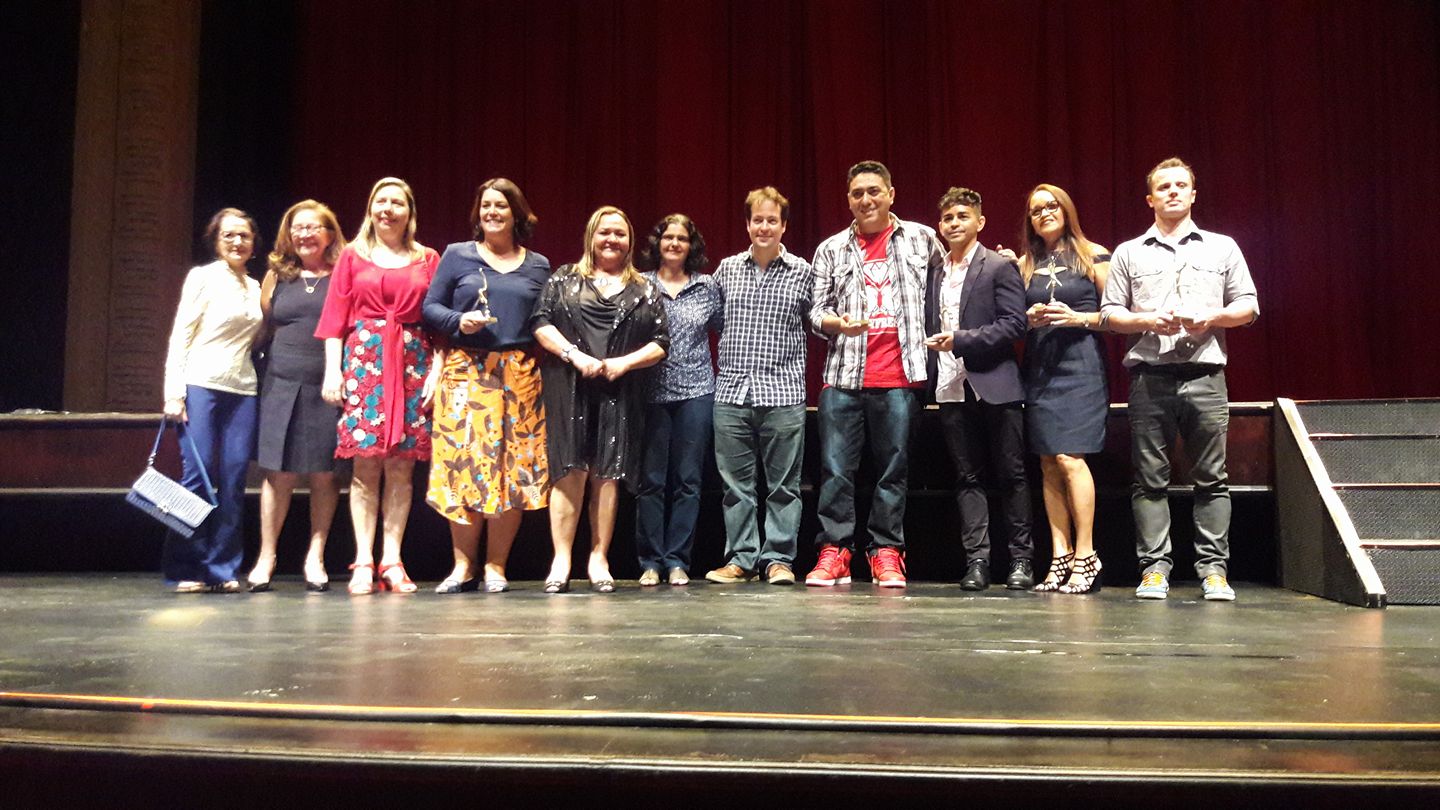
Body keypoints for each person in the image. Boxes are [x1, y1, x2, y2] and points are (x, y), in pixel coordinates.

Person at [1101, 157, 1259, 602]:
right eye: (1163, 187)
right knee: (1150, 479)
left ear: (1193, 194)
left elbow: (1249, 306)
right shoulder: (1129, 252)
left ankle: (1214, 571)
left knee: (1212, 478)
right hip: (1150, 378)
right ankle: (1154, 570)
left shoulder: (1222, 247)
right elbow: (1110, 314)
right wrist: (1148, 320)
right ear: (1150, 199)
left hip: (1205, 376)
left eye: (1180, 185)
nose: (1172, 191)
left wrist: (1212, 316)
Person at [806, 161, 944, 588]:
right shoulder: (831, 248)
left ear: (891, 194)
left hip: (901, 376)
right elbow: (815, 312)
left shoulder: (922, 238)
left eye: (874, 191)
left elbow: (950, 285)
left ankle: (886, 551)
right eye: (857, 193)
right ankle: (835, 551)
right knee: (835, 471)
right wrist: (837, 324)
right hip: (843, 377)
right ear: (848, 200)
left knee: (893, 471)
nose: (866, 200)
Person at [531, 206, 669, 593]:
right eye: (604, 232)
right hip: (568, 386)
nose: (612, 239)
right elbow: (540, 322)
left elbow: (661, 343)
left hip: (619, 391)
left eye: (620, 234)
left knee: (607, 476)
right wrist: (574, 356)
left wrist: (624, 363)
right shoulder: (564, 278)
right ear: (591, 236)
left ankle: (598, 557)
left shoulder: (645, 288)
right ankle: (561, 559)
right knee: (568, 470)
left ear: (630, 241)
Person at [423, 178, 551, 594]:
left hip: (519, 374)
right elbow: (430, 307)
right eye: (486, 206)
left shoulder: (538, 265)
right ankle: (463, 566)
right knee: (464, 467)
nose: (492, 212)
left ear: (516, 213)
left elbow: (545, 319)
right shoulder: (457, 255)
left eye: (501, 206)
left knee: (512, 471)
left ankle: (496, 566)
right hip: (467, 371)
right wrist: (457, 320)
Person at [316, 177, 441, 595]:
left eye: (396, 203)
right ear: (371, 208)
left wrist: (437, 372)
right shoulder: (353, 256)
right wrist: (333, 372)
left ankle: (392, 559)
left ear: (410, 212)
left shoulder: (427, 259)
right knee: (365, 466)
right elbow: (334, 319)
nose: (387, 209)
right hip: (365, 362)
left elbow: (439, 322)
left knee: (402, 468)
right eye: (380, 201)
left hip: (413, 364)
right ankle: (363, 560)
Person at [923, 187, 1034, 591]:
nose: (954, 223)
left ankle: (1021, 559)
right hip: (951, 386)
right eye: (948, 218)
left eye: (962, 216)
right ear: (940, 225)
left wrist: (961, 340)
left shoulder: (998, 266)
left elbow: (1015, 324)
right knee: (967, 477)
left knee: (1012, 474)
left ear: (980, 222)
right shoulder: (935, 271)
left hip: (996, 383)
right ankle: (978, 561)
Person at [705, 188, 814, 586]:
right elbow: (713, 320)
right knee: (736, 487)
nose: (764, 227)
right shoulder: (726, 270)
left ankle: (778, 560)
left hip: (783, 393)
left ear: (783, 226)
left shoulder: (803, 272)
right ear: (747, 224)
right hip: (732, 392)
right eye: (757, 220)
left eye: (772, 220)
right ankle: (741, 558)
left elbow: (818, 321)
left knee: (784, 487)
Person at [160, 207, 264, 593]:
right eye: (229, 235)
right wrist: (174, 393)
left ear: (254, 243)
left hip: (243, 389)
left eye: (244, 236)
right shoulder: (202, 277)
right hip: (200, 383)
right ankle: (185, 566)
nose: (237, 242)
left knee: (234, 479)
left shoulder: (255, 286)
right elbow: (181, 335)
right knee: (198, 476)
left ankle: (222, 569)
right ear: (216, 241)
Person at [247, 200, 346, 592]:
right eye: (297, 228)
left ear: (330, 234)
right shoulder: (277, 275)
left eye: (312, 227)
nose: (304, 234)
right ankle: (266, 556)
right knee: (278, 473)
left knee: (324, 473)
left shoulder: (342, 274)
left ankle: (315, 556)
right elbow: (264, 324)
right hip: (280, 382)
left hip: (327, 382)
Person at [1017, 184, 1110, 594]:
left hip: (1081, 367)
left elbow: (1117, 316)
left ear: (1067, 209)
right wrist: (1028, 318)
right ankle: (1060, 555)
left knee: (1070, 458)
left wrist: (1078, 318)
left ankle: (1087, 554)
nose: (1045, 213)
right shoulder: (1023, 264)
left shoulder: (1095, 255)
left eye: (1052, 205)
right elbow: (1010, 321)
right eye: (1036, 209)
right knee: (1048, 463)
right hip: (1040, 368)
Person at [635, 214, 721, 587]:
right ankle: (650, 561)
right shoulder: (640, 284)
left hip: (696, 392)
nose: (674, 244)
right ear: (658, 243)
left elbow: (725, 330)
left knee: (688, 480)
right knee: (652, 481)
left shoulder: (707, 286)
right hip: (650, 393)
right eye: (668, 237)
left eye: (681, 239)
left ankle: (677, 561)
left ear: (691, 246)